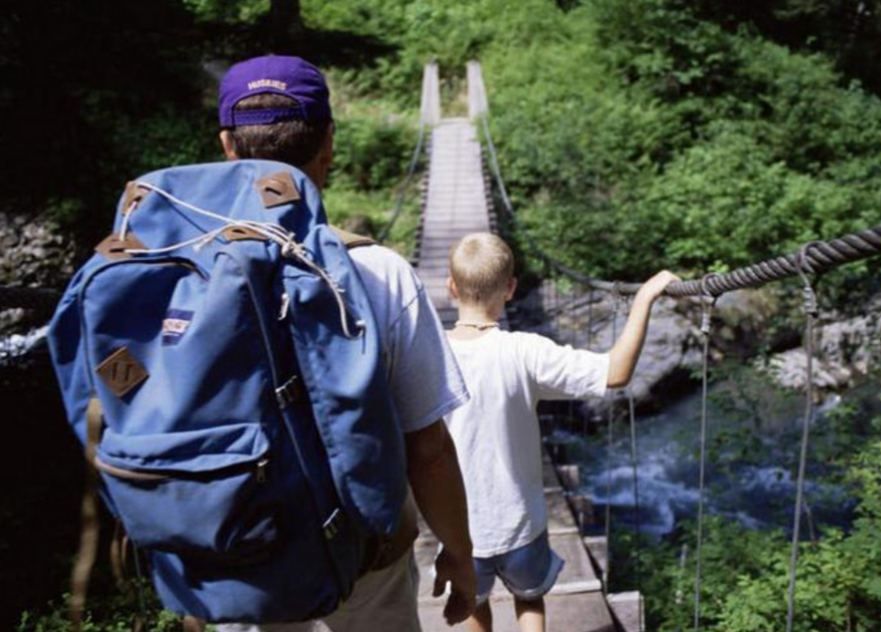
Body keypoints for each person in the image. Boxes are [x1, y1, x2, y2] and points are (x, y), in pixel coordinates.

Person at [214, 55, 476, 631]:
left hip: (233, 551)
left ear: (228, 147)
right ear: (329, 143)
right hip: (363, 560)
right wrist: (458, 553)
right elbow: (427, 449)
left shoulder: (180, 274)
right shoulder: (380, 274)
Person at [443, 232, 680, 632]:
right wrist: (644, 299)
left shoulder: (431, 354)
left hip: (460, 529)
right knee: (529, 598)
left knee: (474, 606)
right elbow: (616, 373)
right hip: (521, 522)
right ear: (511, 288)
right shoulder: (525, 351)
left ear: (451, 288)